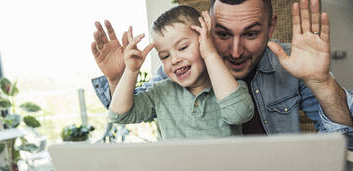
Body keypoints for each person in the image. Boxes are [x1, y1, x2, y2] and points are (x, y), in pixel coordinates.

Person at [91, 0, 352, 143]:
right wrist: (118, 78)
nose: (236, 51)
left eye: (251, 33)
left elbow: (346, 143)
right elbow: (124, 114)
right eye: (223, 34)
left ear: (271, 27)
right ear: (207, 28)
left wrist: (321, 82)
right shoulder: (174, 75)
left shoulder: (294, 62)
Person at [108, 6, 254, 139]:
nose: (174, 60)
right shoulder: (160, 92)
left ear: (205, 41)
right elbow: (119, 116)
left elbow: (238, 114)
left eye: (183, 47)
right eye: (165, 56)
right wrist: (131, 70)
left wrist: (210, 53)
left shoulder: (229, 86)